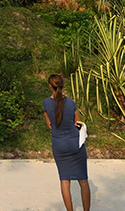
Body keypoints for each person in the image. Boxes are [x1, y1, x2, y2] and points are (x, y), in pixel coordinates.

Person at [43, 74, 90, 211]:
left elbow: (50, 124)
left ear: (50, 86)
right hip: (75, 144)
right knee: (83, 181)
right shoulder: (71, 103)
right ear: (62, 86)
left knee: (64, 180)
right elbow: (78, 123)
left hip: (59, 146)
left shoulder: (46, 103)